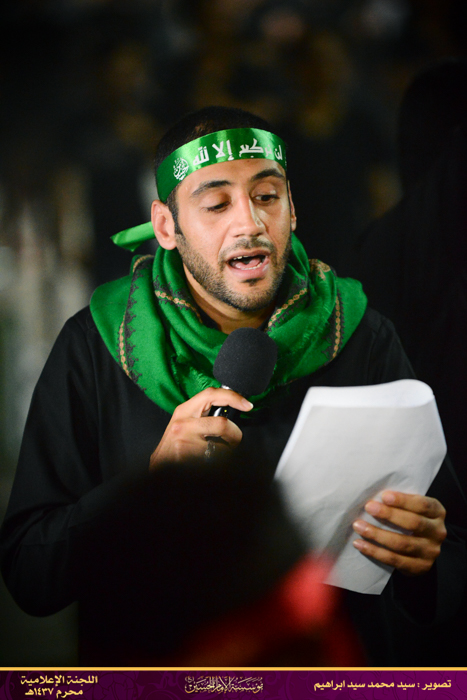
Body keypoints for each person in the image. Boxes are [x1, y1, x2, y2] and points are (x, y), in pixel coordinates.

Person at [0, 106, 465, 666]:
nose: (249, 223)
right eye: (217, 204)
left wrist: (424, 556)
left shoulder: (359, 333)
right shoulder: (98, 344)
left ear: (293, 207)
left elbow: (452, 545)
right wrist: (144, 487)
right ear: (166, 227)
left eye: (267, 196)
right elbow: (29, 571)